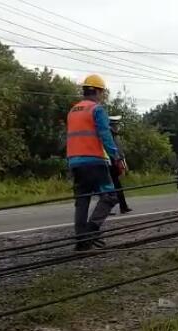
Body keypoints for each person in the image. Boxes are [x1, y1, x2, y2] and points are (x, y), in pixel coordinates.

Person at [66, 74, 119, 251]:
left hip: (75, 163)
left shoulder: (73, 111)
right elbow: (105, 135)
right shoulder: (97, 109)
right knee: (110, 196)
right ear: (96, 91)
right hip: (94, 161)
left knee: (82, 201)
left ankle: (81, 242)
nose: (102, 96)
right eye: (102, 92)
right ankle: (91, 232)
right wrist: (116, 156)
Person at [108, 115, 132, 214]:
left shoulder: (115, 135)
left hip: (114, 163)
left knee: (116, 186)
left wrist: (123, 162)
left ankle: (123, 206)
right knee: (111, 187)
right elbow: (114, 150)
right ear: (112, 125)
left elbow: (120, 151)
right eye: (116, 124)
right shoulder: (109, 135)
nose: (118, 126)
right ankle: (110, 208)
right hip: (110, 163)